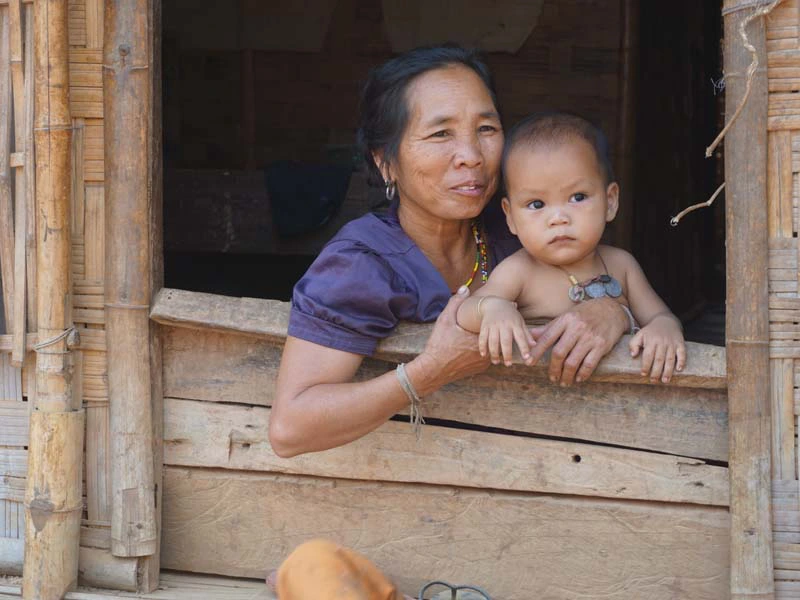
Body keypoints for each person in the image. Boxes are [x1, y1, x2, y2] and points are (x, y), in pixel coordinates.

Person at [269, 46, 633, 459]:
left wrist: (611, 307)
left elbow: (608, 276)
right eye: (441, 134)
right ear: (385, 162)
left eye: (487, 129)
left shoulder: (517, 228)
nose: (472, 157)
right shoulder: (361, 264)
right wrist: (431, 371)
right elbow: (289, 428)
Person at [456, 112, 685, 383]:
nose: (558, 218)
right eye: (537, 204)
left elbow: (659, 315)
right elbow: (465, 310)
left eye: (578, 197)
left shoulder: (622, 265)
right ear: (510, 217)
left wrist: (665, 328)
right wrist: (493, 309)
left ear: (610, 201)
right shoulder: (520, 270)